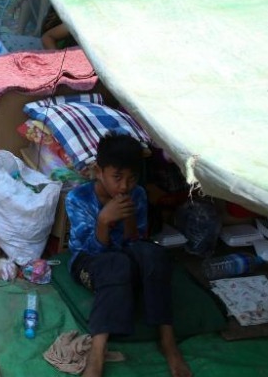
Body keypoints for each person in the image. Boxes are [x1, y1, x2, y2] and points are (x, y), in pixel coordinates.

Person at [65, 134, 191, 377]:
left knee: (155, 254)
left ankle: (168, 342)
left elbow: (136, 242)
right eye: (117, 177)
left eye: (131, 178)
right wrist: (103, 222)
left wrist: (130, 217)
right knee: (116, 263)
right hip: (88, 262)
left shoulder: (138, 194)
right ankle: (97, 353)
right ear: (98, 171)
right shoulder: (78, 198)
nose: (124, 186)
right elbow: (89, 251)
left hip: (125, 258)